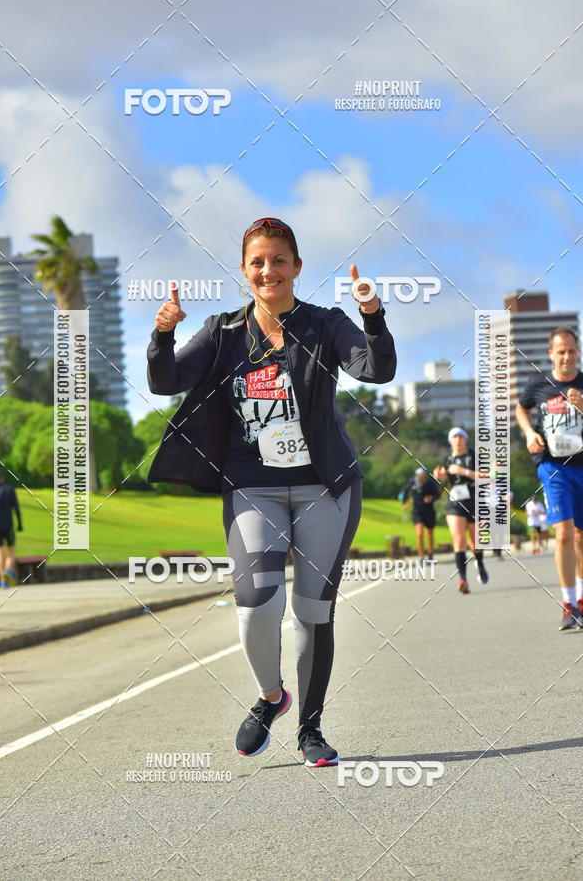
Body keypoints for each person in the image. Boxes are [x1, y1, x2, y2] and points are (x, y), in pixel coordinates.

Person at [146, 216, 397, 766]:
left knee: (312, 609)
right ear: (244, 271)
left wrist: (372, 316)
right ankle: (270, 696)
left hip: (324, 488)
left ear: (297, 268)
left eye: (279, 260)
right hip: (252, 486)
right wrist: (162, 334)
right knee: (255, 601)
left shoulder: (326, 324)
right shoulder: (223, 333)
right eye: (258, 262)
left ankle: (311, 728)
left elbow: (376, 368)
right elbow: (165, 381)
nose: (268, 271)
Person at [515, 327, 583, 631]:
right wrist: (530, 433)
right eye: (561, 351)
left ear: (578, 352)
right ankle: (568, 604)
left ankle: (581, 600)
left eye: (571, 350)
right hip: (553, 466)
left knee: (581, 537)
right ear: (551, 354)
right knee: (564, 534)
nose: (566, 356)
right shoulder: (539, 385)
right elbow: (520, 408)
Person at [433, 427, 489, 593]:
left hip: (475, 500)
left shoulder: (475, 456)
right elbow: (445, 478)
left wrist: (463, 471)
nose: (457, 440)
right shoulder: (448, 459)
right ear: (450, 441)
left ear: (465, 439)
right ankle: (463, 580)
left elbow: (487, 476)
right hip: (455, 502)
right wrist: (440, 476)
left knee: (475, 542)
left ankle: (479, 563)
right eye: (454, 437)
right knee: (458, 541)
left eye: (460, 436)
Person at [400, 467, 440, 560]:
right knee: (419, 533)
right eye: (420, 476)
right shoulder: (412, 482)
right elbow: (405, 490)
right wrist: (404, 501)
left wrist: (431, 498)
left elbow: (437, 495)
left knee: (429, 535)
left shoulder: (430, 483)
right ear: (417, 476)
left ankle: (430, 554)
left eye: (424, 476)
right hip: (417, 511)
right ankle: (421, 556)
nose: (423, 477)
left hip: (429, 511)